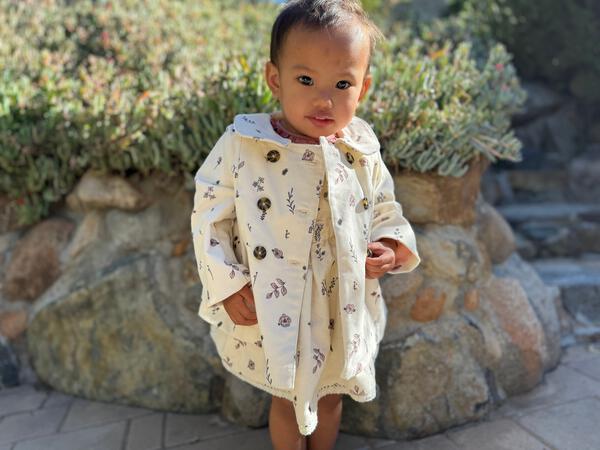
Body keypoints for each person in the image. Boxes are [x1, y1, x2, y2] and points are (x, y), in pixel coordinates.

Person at [190, 1, 421, 449]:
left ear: (363, 88)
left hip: (339, 302)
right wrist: (228, 283)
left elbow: (383, 206)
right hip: (276, 297)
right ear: (275, 79)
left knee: (332, 394)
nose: (324, 98)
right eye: (305, 80)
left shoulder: (360, 148)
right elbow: (208, 216)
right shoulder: (245, 144)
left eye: (342, 84)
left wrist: (390, 244)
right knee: (288, 396)